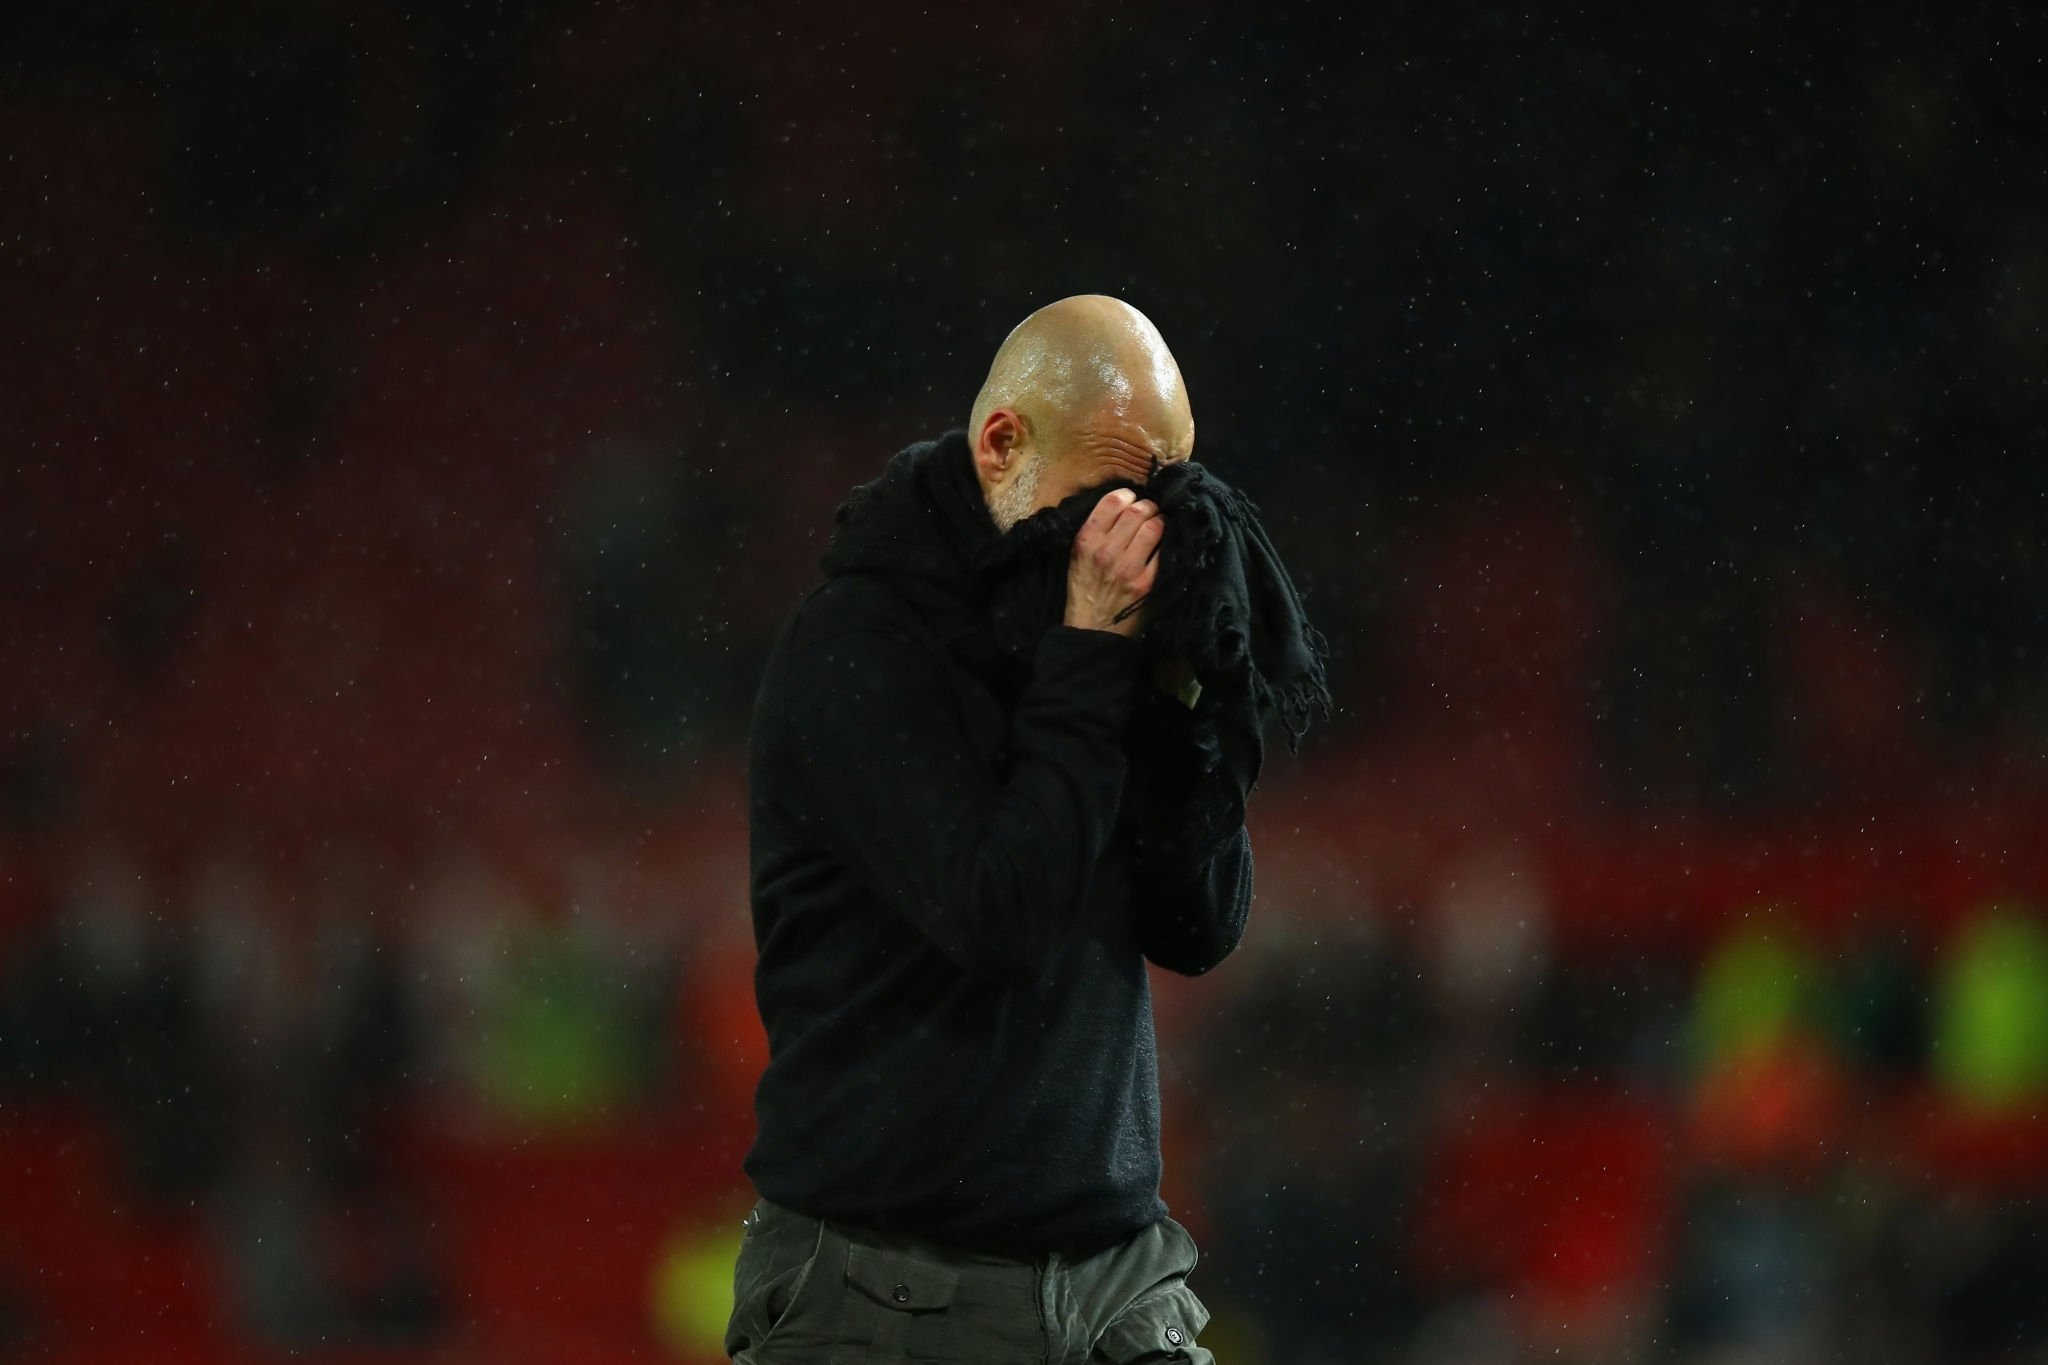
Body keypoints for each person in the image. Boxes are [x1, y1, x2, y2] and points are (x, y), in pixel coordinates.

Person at [732, 295, 1257, 1363]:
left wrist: (1175, 704)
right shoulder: (857, 646)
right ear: (1002, 445)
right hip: (881, 1298)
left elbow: (1199, 923)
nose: (1132, 533)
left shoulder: (1088, 621)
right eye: (1110, 493)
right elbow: (1000, 917)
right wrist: (1088, 660)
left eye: (1159, 495)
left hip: (1117, 1287)